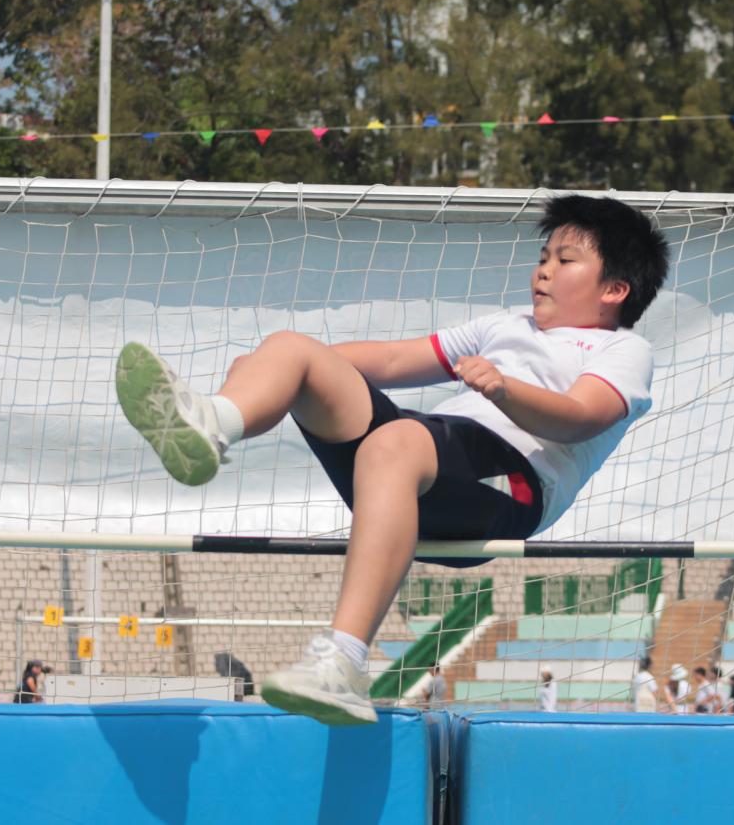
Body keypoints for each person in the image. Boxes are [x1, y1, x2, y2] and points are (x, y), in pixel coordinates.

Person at [115, 195, 669, 725]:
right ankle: (214, 424)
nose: (543, 270)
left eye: (565, 260)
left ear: (615, 289)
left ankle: (342, 662)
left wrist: (504, 389)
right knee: (291, 348)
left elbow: (580, 417)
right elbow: (392, 359)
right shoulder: (504, 326)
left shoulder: (624, 350)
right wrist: (272, 369)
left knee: (396, 441)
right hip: (424, 457)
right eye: (543, 256)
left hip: (511, 485)